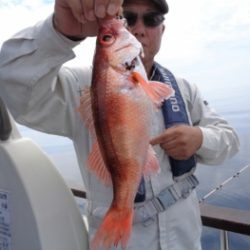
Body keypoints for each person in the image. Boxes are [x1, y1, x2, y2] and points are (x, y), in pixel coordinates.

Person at [0, 0, 240, 249]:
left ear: (162, 30)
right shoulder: (80, 85)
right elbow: (13, 85)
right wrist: (59, 32)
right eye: (128, 17)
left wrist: (200, 138)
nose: (138, 28)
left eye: (151, 19)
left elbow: (230, 140)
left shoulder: (184, 90)